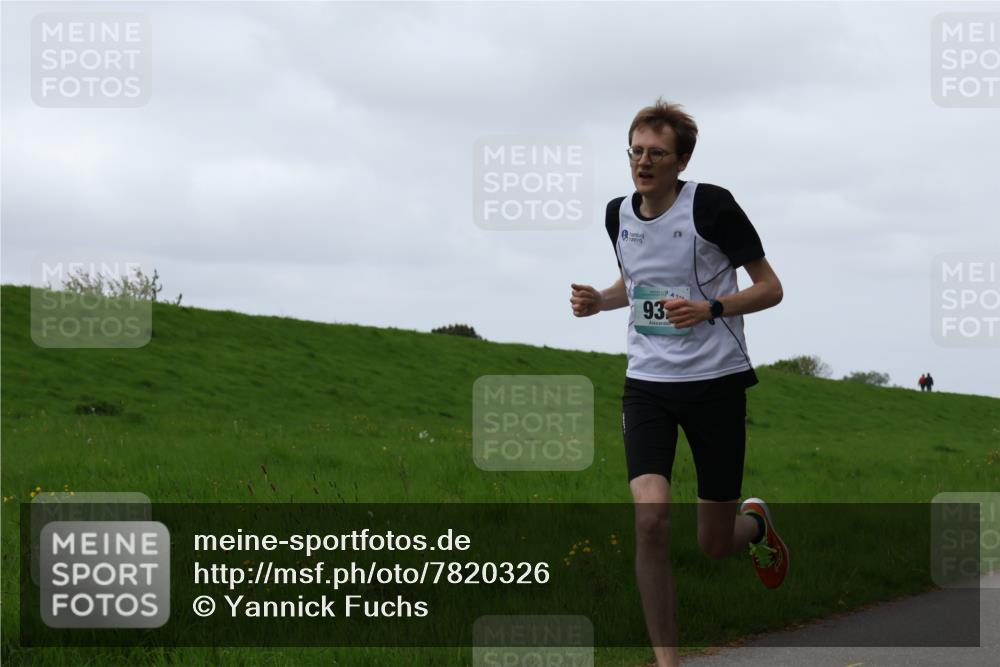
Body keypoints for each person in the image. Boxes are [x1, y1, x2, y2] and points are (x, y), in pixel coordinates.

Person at [570, 99, 788, 667]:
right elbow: (636, 282)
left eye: (657, 154)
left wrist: (711, 307)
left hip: (715, 382)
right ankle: (668, 662)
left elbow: (771, 288)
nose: (643, 162)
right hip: (647, 383)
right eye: (636, 151)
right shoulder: (618, 212)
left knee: (715, 544)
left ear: (681, 159)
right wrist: (601, 300)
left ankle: (756, 524)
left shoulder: (712, 207)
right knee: (650, 519)